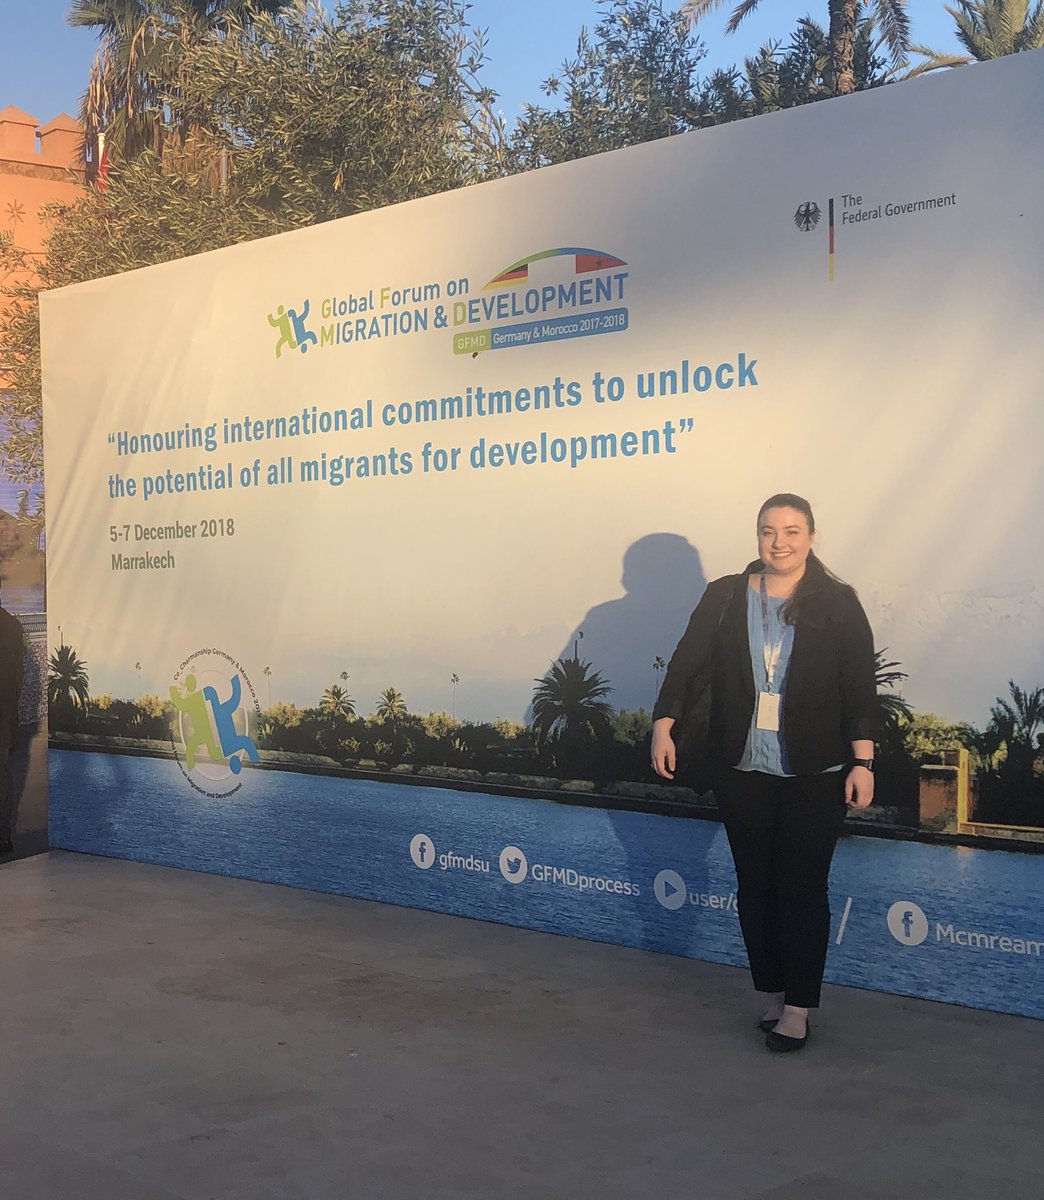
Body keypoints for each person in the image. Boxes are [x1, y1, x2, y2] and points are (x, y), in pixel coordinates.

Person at [651, 494, 877, 1053]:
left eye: (792, 531)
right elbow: (686, 662)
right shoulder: (725, 595)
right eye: (769, 531)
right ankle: (773, 993)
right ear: (757, 536)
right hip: (741, 765)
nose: (780, 542)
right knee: (755, 886)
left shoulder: (838, 602)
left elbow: (858, 687)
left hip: (817, 769)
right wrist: (663, 725)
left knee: (802, 887)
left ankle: (798, 1007)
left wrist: (863, 761)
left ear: (811, 537)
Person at [0, 580, 25, 855]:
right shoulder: (13, 626)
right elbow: (18, 678)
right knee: (3, 775)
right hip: (5, 716)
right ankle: (4, 835)